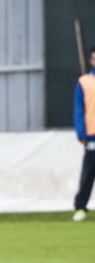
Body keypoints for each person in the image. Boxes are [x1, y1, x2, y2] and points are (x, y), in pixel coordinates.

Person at [72, 47, 95, 222]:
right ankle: (81, 207)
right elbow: (79, 109)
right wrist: (81, 132)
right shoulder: (84, 82)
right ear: (91, 60)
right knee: (88, 174)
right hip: (92, 135)